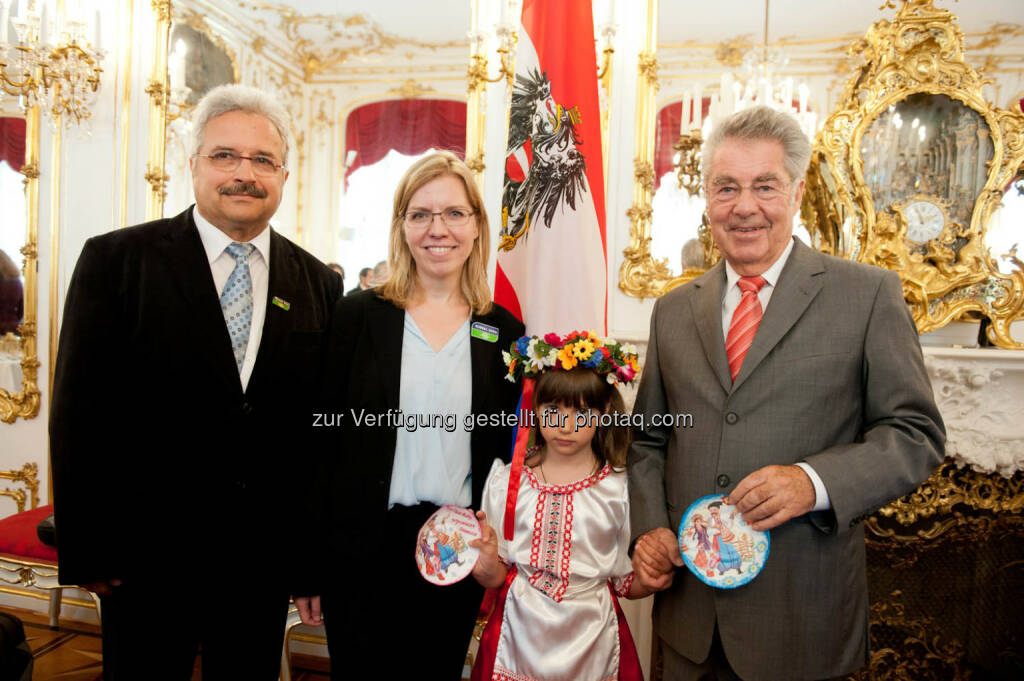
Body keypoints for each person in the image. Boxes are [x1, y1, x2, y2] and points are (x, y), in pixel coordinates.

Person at [628, 106, 945, 681]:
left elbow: (915, 436)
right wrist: (649, 528)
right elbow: (648, 440)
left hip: (803, 620)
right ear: (707, 198)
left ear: (796, 192)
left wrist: (812, 483)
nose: (744, 206)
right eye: (727, 187)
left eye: (764, 186)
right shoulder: (673, 310)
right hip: (690, 624)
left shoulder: (867, 295)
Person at [49, 84, 342, 681]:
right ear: (193, 165)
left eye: (263, 160)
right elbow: (79, 409)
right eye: (225, 156)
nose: (244, 174)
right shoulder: (116, 261)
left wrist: (310, 560)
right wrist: (90, 544)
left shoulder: (318, 282)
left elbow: (318, 436)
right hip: (143, 556)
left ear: (283, 176)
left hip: (259, 563)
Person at [299, 151, 524, 680]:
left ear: (476, 225)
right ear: (401, 227)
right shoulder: (358, 315)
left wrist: (498, 547)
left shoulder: (505, 331)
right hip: (362, 545)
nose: (436, 229)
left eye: (453, 213)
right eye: (420, 214)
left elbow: (510, 453)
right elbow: (319, 447)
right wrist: (309, 562)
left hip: (455, 545)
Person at [470, 331, 651, 681]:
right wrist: (484, 563)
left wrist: (654, 574)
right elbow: (495, 576)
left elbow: (628, 584)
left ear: (605, 412)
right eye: (552, 410)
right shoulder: (507, 483)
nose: (565, 426)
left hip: (592, 638)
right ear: (535, 407)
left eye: (582, 412)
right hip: (517, 636)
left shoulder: (620, 489)